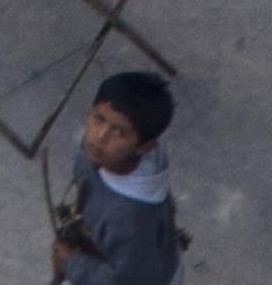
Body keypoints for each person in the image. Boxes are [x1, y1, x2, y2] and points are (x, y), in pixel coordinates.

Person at [54, 74, 186, 285]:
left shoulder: (131, 219)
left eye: (120, 131)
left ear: (144, 146)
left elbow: (127, 281)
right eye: (98, 118)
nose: (100, 137)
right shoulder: (97, 152)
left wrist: (72, 264)